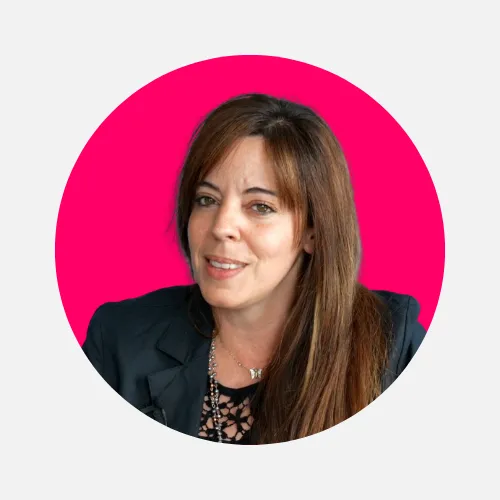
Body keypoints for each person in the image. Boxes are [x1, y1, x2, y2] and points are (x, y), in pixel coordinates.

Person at [83, 93, 426, 445]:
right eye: (207, 200)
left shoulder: (391, 347)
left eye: (260, 207)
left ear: (312, 231)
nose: (221, 227)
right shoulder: (119, 339)